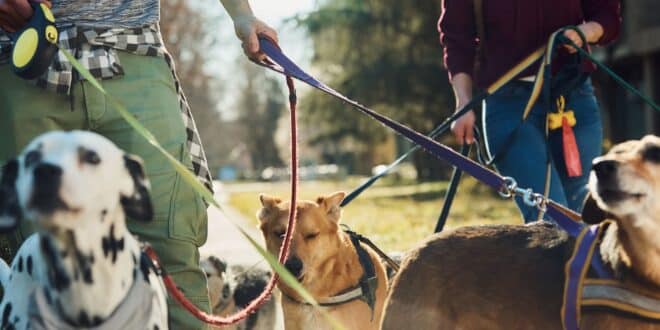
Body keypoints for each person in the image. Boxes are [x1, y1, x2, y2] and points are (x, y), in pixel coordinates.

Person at [0, 0, 277, 328]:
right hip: (20, 60)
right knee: (39, 266)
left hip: (134, 54)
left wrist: (242, 15)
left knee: (175, 250)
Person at [438, 0, 621, 222]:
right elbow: (457, 40)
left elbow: (607, 16)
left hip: (574, 99)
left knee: (587, 217)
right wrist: (463, 102)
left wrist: (587, 31)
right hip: (509, 105)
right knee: (553, 221)